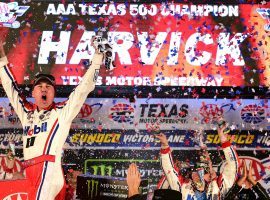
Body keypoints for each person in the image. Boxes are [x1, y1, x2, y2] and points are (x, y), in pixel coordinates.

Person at [0, 38, 111, 199]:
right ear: (33, 93)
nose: (44, 89)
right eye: (40, 86)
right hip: (31, 171)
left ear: (54, 93)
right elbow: (10, 87)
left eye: (48, 87)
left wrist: (97, 60)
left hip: (47, 168)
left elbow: (82, 89)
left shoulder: (61, 111)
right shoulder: (26, 112)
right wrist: (1, 55)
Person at [155, 125, 239, 199]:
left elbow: (233, 167)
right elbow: (169, 171)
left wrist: (224, 141)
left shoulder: (217, 188)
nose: (198, 174)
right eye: (195, 171)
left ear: (209, 175)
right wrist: (165, 146)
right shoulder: (183, 188)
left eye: (202, 171)